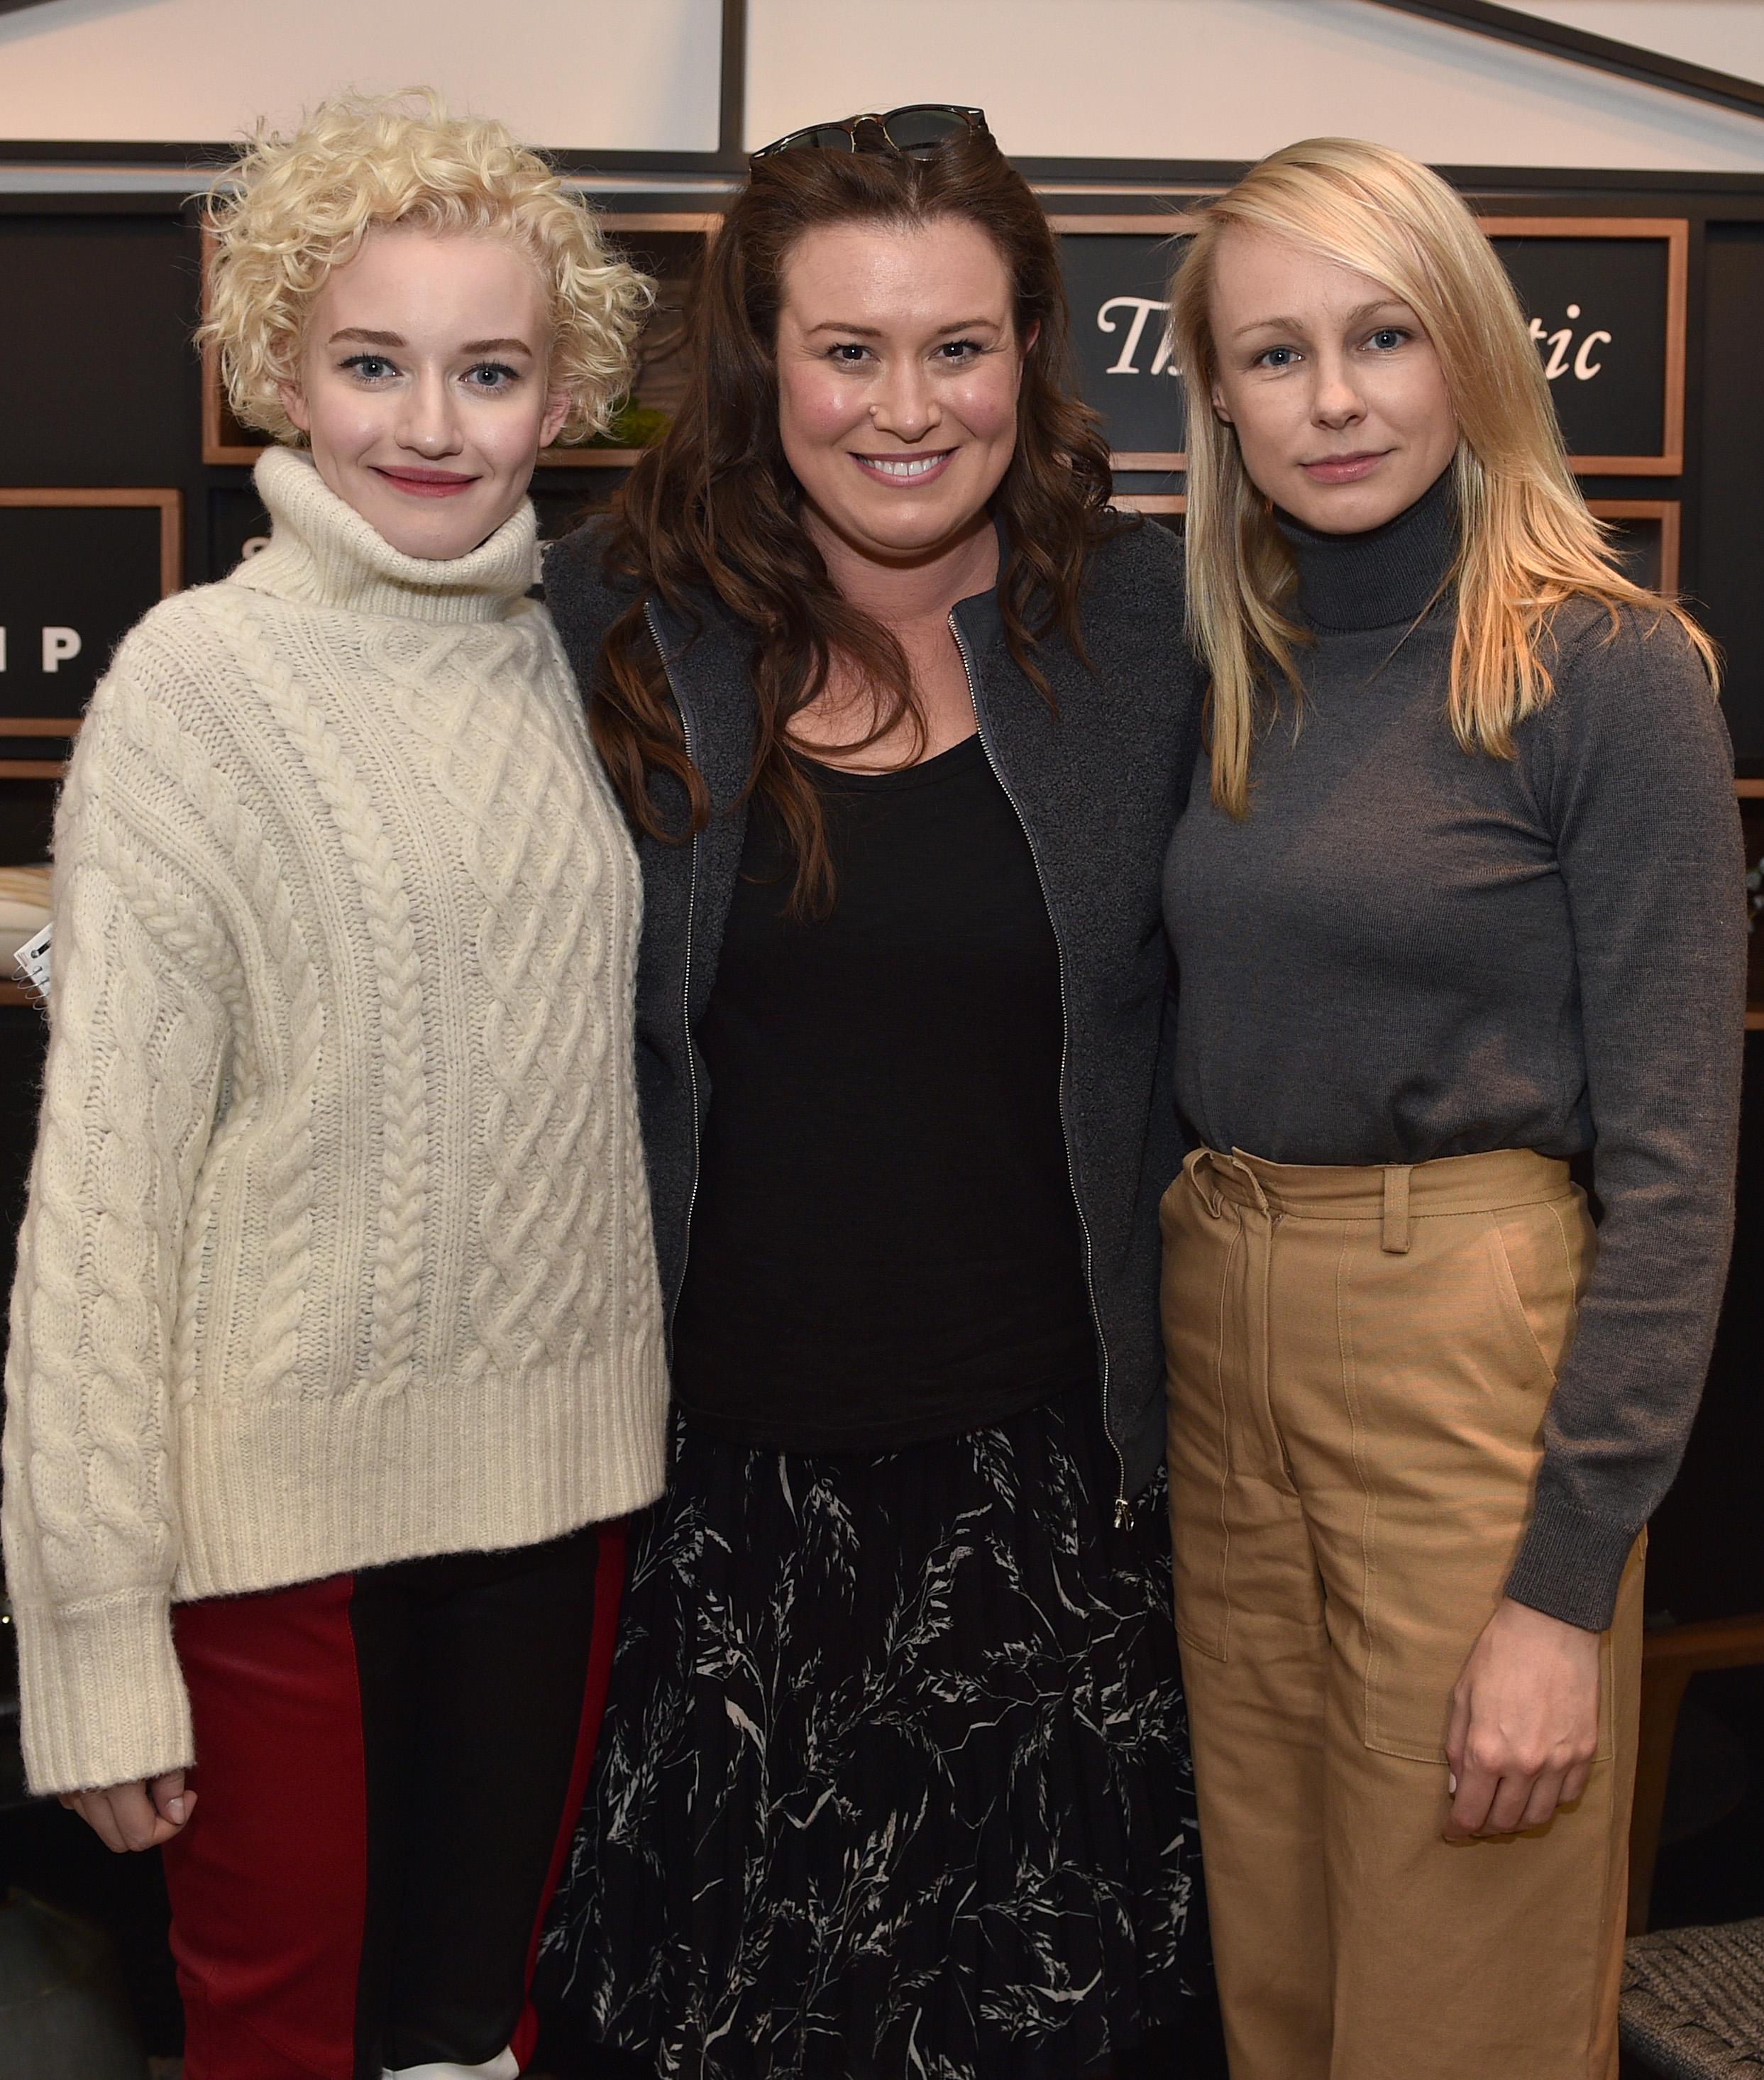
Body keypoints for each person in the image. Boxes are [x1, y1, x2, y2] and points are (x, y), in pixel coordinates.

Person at [0, 93, 663, 2080]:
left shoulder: (605, 668)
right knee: (276, 2041)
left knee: (485, 2035)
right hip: (270, 1531)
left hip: (565, 1501)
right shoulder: (195, 683)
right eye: (372, 363)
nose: (429, 424)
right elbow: (102, 1200)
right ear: (279, 369)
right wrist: (92, 1637)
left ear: (564, 400)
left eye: (489, 370)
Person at [536, 105, 1205, 2080]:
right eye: (847, 349)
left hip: (1057, 1515)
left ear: (1031, 353)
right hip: (706, 1522)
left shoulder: (1156, 625)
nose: (904, 406)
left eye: (957, 345)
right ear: (762, 361)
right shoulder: (601, 621)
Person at [1155, 137, 1744, 2080]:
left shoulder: (1604, 669)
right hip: (1223, 1325)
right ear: (1219, 400)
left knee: (1457, 1991)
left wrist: (1556, 1598)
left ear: (1470, 347)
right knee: (1284, 1971)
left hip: (1462, 1348)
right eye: (1271, 354)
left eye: (1380, 335)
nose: (1329, 399)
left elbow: (1674, 1176)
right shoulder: (1248, 659)